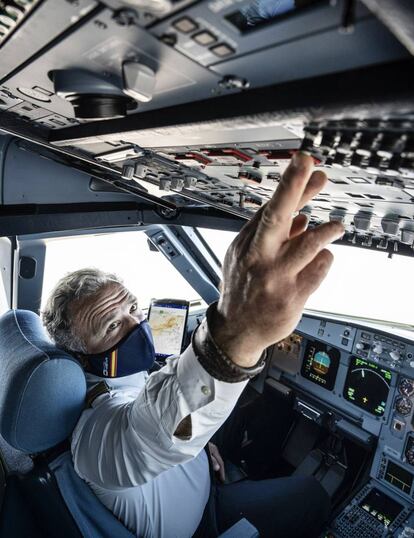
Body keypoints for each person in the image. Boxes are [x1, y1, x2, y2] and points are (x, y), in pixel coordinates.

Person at [42, 153, 344, 538]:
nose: (137, 325)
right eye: (112, 325)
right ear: (80, 356)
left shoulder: (127, 377)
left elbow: (160, 417)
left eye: (133, 308)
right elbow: (151, 436)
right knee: (310, 494)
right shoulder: (92, 436)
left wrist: (198, 454)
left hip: (204, 481)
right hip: (205, 526)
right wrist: (237, 334)